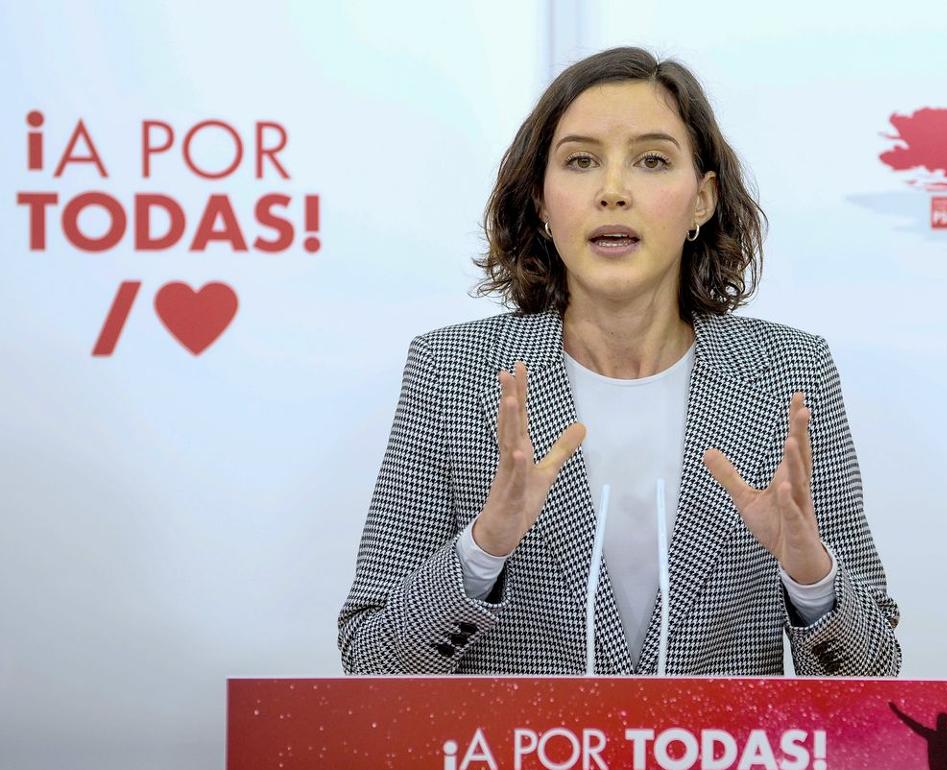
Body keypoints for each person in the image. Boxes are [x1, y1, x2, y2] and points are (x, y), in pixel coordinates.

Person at [337, 46, 901, 676]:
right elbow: (371, 660)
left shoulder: (789, 371)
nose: (612, 191)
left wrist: (811, 576)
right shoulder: (454, 370)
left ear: (702, 200)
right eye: (580, 162)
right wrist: (483, 546)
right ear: (543, 203)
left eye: (652, 161)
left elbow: (873, 671)